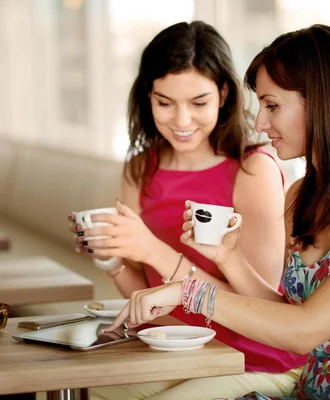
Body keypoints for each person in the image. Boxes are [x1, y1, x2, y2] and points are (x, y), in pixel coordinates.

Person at [107, 24, 330, 399]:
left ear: (324, 100)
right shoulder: (301, 194)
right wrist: (230, 259)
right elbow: (285, 311)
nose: (260, 123)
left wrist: (189, 292)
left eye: (272, 106)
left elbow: (304, 332)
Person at [69, 21, 305, 399]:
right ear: (148, 96)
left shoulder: (253, 169)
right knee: (80, 390)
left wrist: (151, 250)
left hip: (253, 358)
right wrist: (113, 261)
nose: (181, 121)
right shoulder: (139, 170)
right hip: (173, 350)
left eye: (198, 103)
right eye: (165, 103)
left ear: (224, 93)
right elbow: (146, 301)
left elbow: (260, 308)